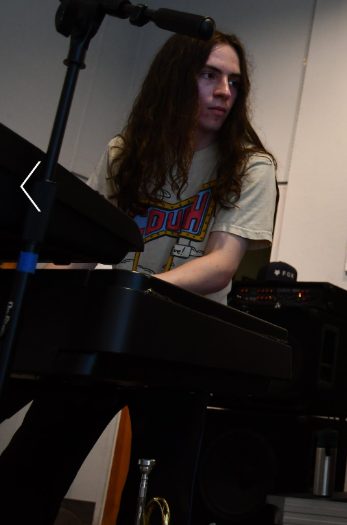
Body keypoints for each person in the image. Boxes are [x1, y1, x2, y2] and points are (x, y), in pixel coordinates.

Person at [0, 31, 277, 525]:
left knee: (156, 504)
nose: (224, 92)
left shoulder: (250, 166)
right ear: (174, 80)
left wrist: (135, 295)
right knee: (27, 477)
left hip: (180, 347)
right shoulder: (125, 152)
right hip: (103, 335)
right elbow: (88, 253)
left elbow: (220, 267)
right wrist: (40, 278)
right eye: (209, 75)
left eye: (235, 81)